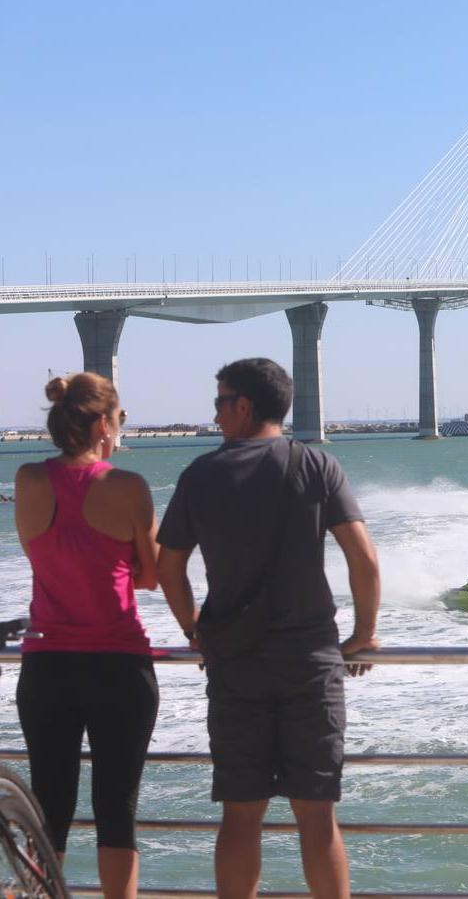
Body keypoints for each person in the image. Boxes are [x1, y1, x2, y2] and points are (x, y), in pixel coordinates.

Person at [156, 358, 381, 899]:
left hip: (235, 664)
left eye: (218, 402)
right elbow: (364, 560)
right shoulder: (318, 466)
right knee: (317, 818)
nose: (214, 414)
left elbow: (169, 568)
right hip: (310, 661)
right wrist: (364, 633)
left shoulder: (201, 474)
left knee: (240, 817)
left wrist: (195, 631)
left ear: (243, 406)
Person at [13, 373, 159, 899]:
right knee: (116, 808)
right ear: (103, 423)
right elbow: (149, 575)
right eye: (120, 419)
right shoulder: (127, 486)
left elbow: (42, 553)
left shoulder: (28, 479)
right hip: (119, 663)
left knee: (49, 808)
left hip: (47, 666)